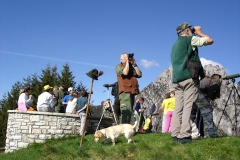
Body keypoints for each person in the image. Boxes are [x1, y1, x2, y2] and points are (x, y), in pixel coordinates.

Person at [171, 22, 214, 144]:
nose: (191, 30)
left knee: (178, 107)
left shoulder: (174, 45)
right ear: (186, 32)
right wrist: (199, 32)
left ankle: (175, 134)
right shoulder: (190, 39)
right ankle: (184, 136)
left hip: (177, 80)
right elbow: (210, 40)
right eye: (189, 29)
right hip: (189, 78)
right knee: (188, 106)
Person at [192, 73, 221, 138]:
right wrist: (208, 101)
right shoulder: (216, 81)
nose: (222, 80)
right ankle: (209, 134)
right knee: (206, 115)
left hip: (194, 95)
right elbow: (212, 89)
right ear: (218, 78)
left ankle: (199, 133)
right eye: (221, 78)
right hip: (201, 96)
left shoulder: (206, 80)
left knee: (198, 116)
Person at [116, 53, 142, 124]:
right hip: (125, 92)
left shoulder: (131, 68)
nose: (128, 59)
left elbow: (139, 74)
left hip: (132, 92)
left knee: (129, 112)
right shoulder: (119, 66)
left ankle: (124, 130)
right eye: (126, 57)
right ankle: (123, 130)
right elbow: (125, 73)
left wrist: (135, 65)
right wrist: (127, 62)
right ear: (122, 59)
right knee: (126, 111)